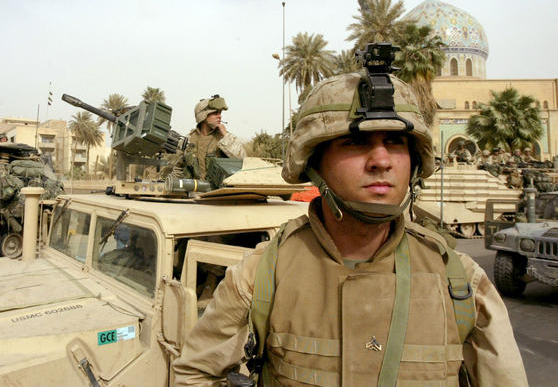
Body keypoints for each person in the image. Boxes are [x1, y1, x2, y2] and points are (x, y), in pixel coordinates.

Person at [173, 70, 527, 386]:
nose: (382, 161)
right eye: (357, 142)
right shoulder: (261, 277)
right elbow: (194, 373)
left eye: (396, 142)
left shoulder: (461, 284)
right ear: (315, 162)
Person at [175, 94, 246, 180]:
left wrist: (225, 135)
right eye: (215, 113)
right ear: (203, 115)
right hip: (194, 191)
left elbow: (243, 160)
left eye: (220, 113)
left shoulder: (225, 138)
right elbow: (178, 169)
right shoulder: (188, 140)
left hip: (218, 192)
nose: (219, 116)